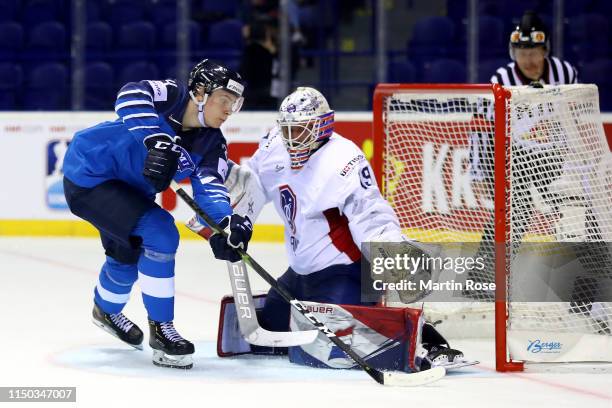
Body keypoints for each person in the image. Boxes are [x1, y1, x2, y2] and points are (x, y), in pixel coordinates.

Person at [190, 87, 471, 371]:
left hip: (344, 273)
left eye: (300, 131)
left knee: (337, 351)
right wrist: (229, 222)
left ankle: (428, 343)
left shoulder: (344, 160)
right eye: (287, 130)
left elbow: (371, 215)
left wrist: (392, 256)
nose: (291, 139)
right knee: (267, 336)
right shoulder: (275, 144)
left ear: (322, 126)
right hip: (298, 274)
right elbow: (254, 185)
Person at [62, 59, 254, 369]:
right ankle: (162, 331)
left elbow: (209, 186)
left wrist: (225, 223)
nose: (230, 109)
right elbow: (130, 95)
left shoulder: (211, 144)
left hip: (131, 192)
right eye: (225, 100)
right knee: (160, 233)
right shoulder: (174, 95)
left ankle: (105, 310)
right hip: (89, 174)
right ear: (201, 92)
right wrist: (157, 139)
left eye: (236, 103)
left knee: (125, 258)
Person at [468, 11, 610, 332]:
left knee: (580, 216)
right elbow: (480, 130)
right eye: (522, 53)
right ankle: (480, 288)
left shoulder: (566, 72)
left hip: (557, 159)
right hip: (516, 157)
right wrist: (480, 173)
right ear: (513, 52)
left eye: (533, 53)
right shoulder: (499, 81)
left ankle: (588, 298)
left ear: (545, 51)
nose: (528, 60)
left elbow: (576, 118)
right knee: (509, 219)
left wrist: (581, 162)